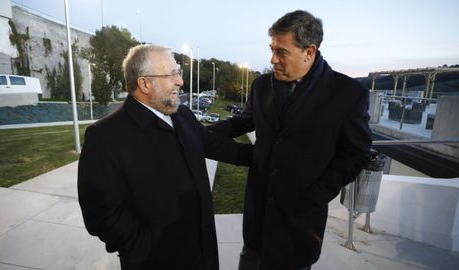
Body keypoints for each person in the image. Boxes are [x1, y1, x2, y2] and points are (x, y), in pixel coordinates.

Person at [207, 10, 372, 270]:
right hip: (257, 221)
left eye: (281, 52)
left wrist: (316, 195)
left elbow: (357, 152)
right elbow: (243, 121)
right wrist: (203, 134)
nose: (273, 59)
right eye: (272, 49)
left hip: (300, 226)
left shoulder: (349, 94)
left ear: (309, 52)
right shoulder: (261, 85)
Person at [77, 44, 252, 270]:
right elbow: (101, 215)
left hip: (204, 256)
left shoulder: (183, 115)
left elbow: (215, 144)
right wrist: (146, 249)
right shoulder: (105, 137)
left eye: (177, 73)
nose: (180, 81)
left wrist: (271, 156)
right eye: (172, 74)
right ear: (144, 83)